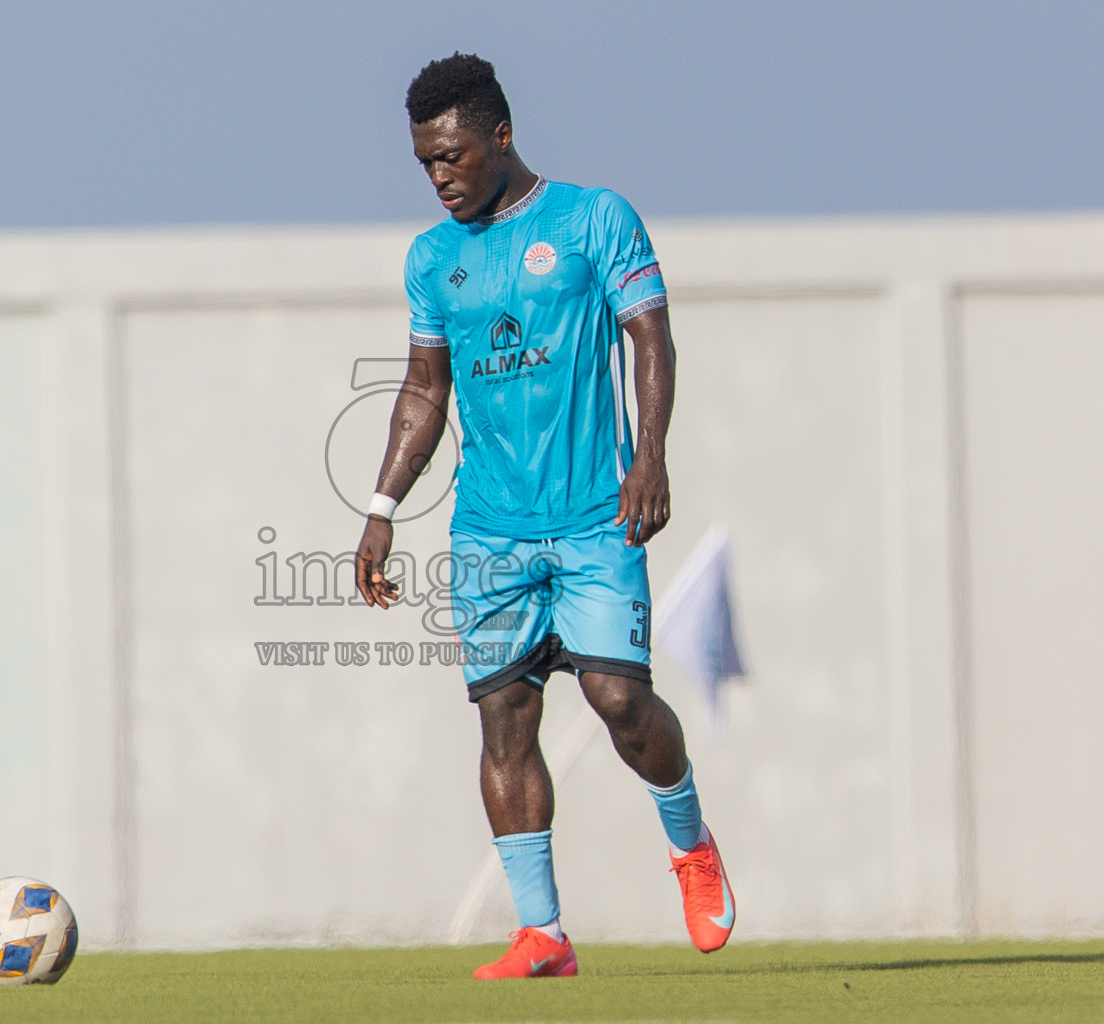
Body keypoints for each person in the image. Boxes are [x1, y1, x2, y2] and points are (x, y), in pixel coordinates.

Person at [354, 53, 734, 979]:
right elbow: (424, 388)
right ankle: (543, 935)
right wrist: (380, 509)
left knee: (619, 700)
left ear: (500, 134)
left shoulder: (594, 219)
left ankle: (690, 841)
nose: (439, 177)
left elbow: (651, 333)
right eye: (424, 164)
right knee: (505, 728)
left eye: (451, 156)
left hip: (593, 517)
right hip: (489, 532)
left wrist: (650, 456)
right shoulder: (432, 258)